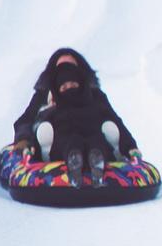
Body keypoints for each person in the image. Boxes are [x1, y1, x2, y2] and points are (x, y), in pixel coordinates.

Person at [10, 48, 139, 181]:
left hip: (92, 135)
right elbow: (26, 120)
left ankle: (98, 160)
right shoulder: (43, 96)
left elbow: (113, 118)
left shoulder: (94, 96)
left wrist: (130, 146)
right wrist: (24, 140)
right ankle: (71, 159)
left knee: (106, 131)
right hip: (57, 143)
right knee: (51, 133)